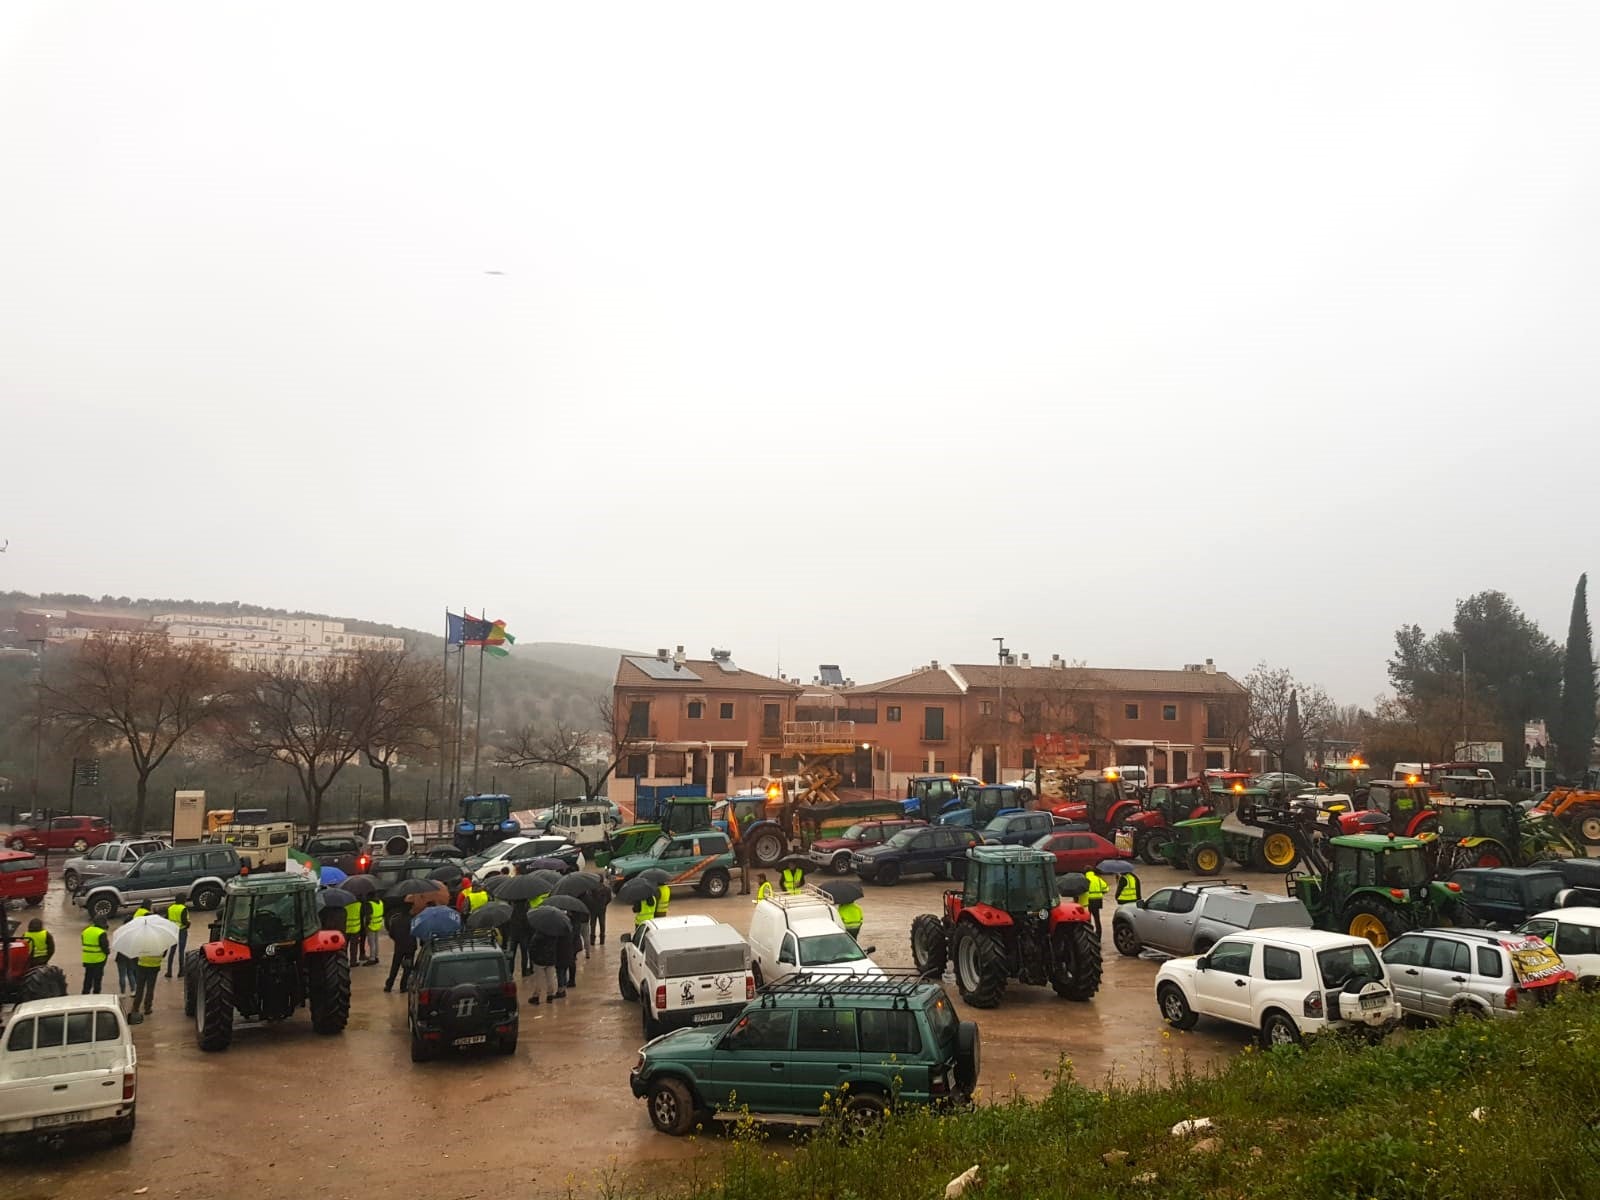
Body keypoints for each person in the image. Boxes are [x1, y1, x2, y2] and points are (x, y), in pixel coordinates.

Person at [383, 900, 416, 993]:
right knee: (407, 968)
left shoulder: (395, 920)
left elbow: (391, 934)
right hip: (410, 948)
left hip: (399, 947)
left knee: (395, 966)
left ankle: (389, 985)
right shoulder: (412, 920)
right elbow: (416, 933)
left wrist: (397, 940)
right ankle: (403, 986)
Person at [526, 922, 560, 1005]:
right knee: (550, 979)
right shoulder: (554, 935)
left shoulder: (537, 935)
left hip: (539, 961)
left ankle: (536, 997)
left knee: (538, 980)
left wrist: (533, 959)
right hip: (551, 960)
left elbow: (532, 947)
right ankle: (550, 996)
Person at [131, 942, 162, 1021]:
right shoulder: (161, 942)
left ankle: (135, 1007)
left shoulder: (142, 940)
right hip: (154, 967)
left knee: (140, 988)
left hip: (142, 966)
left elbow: (136, 952)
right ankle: (147, 1008)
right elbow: (164, 954)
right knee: (150, 988)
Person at [81, 917, 110, 994]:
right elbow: (105, 947)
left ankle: (85, 994)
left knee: (88, 978)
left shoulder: (85, 931)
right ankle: (96, 995)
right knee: (97, 979)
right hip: (99, 960)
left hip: (87, 959)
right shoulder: (101, 933)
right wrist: (108, 952)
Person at [164, 899, 189, 979]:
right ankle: (181, 972)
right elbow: (184, 921)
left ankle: (169, 972)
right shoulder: (183, 908)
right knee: (181, 951)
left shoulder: (170, 908)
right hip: (181, 930)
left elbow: (166, 919)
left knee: (172, 951)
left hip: (172, 931)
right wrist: (188, 924)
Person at [1082, 868, 1109, 935]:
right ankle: (1099, 935)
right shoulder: (1098, 879)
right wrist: (1101, 892)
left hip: (1087, 901)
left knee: (1088, 919)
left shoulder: (1084, 880)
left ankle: (1090, 934)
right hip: (1097, 900)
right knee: (1097, 919)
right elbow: (1106, 889)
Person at [344, 899, 366, 966]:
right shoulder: (359, 905)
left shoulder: (345, 904)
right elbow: (362, 917)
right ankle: (353, 962)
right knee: (354, 947)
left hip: (346, 929)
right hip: (355, 929)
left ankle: (344, 961)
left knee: (344, 946)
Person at [366, 896, 385, 966]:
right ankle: (376, 956)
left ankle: (372, 958)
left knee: (371, 943)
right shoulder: (380, 902)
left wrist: (366, 925)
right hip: (378, 924)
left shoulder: (370, 904)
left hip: (371, 925)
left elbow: (368, 916)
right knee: (376, 942)